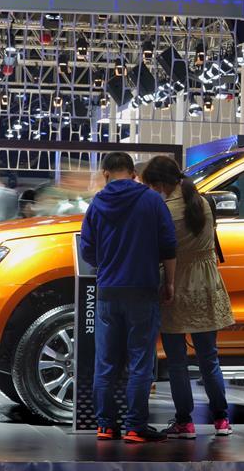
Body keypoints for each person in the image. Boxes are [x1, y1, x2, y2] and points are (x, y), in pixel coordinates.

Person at [80, 152, 177, 444]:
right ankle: (135, 426)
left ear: (105, 173)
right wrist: (169, 282)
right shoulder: (152, 201)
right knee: (140, 362)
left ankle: (105, 425)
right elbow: (169, 245)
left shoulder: (96, 204)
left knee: (106, 362)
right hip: (143, 289)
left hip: (108, 291)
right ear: (134, 173)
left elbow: (87, 250)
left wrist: (107, 263)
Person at [140, 156, 235, 439]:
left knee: (177, 362)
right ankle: (221, 420)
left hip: (176, 284)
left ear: (159, 184)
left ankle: (185, 422)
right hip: (206, 284)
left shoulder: (164, 210)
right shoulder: (202, 202)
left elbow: (160, 250)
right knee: (209, 358)